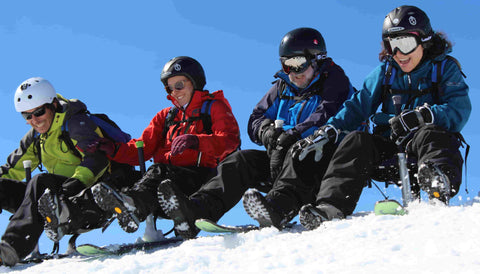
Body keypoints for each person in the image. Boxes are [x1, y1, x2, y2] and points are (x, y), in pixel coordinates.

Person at [154, 27, 355, 238]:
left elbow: (327, 113)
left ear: (316, 59)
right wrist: (268, 133)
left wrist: (294, 135)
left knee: (300, 151)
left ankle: (278, 208)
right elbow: (255, 119)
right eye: (286, 65)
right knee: (241, 160)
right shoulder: (282, 87)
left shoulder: (335, 81)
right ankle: (196, 210)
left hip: (318, 164)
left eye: (298, 64)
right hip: (282, 160)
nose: (293, 72)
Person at [298, 5, 471, 230]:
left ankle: (438, 183)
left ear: (424, 40)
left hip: (425, 145)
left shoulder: (444, 68)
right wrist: (330, 129)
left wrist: (424, 116)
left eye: (406, 44)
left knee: (431, 133)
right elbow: (357, 106)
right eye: (392, 45)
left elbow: (459, 109)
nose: (399, 54)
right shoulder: (386, 72)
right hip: (391, 146)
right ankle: (330, 206)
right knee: (357, 139)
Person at [91, 56, 241, 238]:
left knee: (159, 171)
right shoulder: (167, 116)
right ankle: (125, 206)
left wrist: (197, 141)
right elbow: (142, 147)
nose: (175, 92)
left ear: (195, 82)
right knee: (129, 176)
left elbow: (229, 140)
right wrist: (113, 149)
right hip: (167, 187)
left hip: (200, 178)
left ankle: (135, 207)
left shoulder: (212, 108)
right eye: (170, 88)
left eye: (179, 85)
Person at [0, 77, 135, 266]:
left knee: (39, 182)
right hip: (53, 201)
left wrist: (75, 183)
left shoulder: (75, 123)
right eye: (27, 116)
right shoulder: (36, 137)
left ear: (53, 104)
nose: (34, 120)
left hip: (89, 198)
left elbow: (97, 158)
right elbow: (11, 169)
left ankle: (11, 248)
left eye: (38, 112)